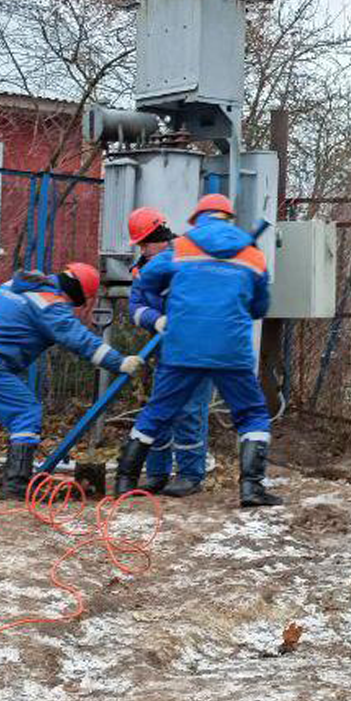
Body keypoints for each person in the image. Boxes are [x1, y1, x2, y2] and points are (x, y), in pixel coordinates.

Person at [115, 193, 281, 507]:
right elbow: (260, 307)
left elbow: (145, 278)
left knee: (158, 411)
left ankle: (125, 480)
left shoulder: (180, 247)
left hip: (183, 346)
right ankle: (251, 488)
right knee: (252, 414)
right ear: (228, 217)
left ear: (197, 218)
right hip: (231, 349)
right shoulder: (252, 253)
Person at [0, 262, 142, 499]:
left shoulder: (17, 285)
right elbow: (79, 339)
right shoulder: (50, 304)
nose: (71, 307)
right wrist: (118, 362)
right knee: (25, 413)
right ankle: (16, 484)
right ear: (78, 293)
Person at [125, 206, 213, 497]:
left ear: (160, 237)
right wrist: (156, 319)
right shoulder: (142, 270)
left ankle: (190, 475)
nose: (143, 248)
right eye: (140, 244)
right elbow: (135, 308)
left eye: (145, 243)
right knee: (160, 409)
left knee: (190, 410)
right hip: (167, 351)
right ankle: (157, 473)